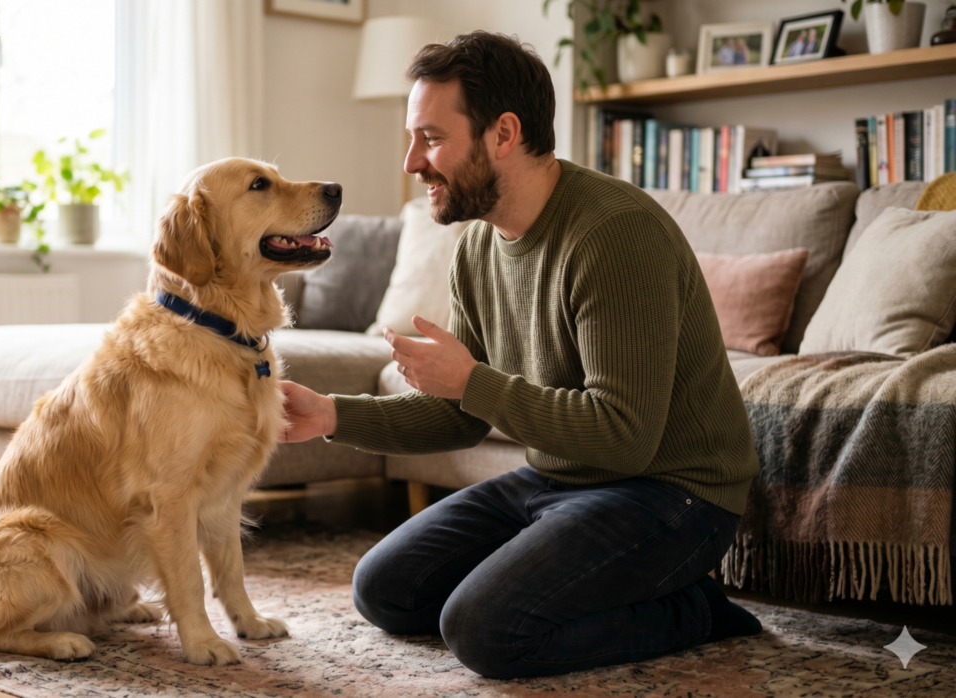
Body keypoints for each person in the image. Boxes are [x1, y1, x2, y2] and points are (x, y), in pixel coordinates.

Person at [279, 31, 763, 679]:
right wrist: (330, 415)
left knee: (485, 630)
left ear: (503, 134)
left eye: (430, 138)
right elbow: (460, 416)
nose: (411, 164)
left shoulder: (614, 234)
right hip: (561, 479)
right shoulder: (478, 249)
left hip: (672, 495)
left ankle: (697, 609)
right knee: (384, 589)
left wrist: (474, 380)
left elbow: (626, 439)